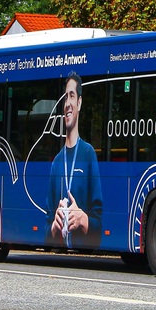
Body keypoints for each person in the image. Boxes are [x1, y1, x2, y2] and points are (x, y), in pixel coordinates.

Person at [46, 72, 103, 248]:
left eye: (72, 96)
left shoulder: (88, 154)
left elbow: (99, 225)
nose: (68, 104)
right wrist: (54, 228)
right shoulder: (57, 162)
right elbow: (46, 228)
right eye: (65, 98)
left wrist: (83, 219)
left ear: (79, 102)